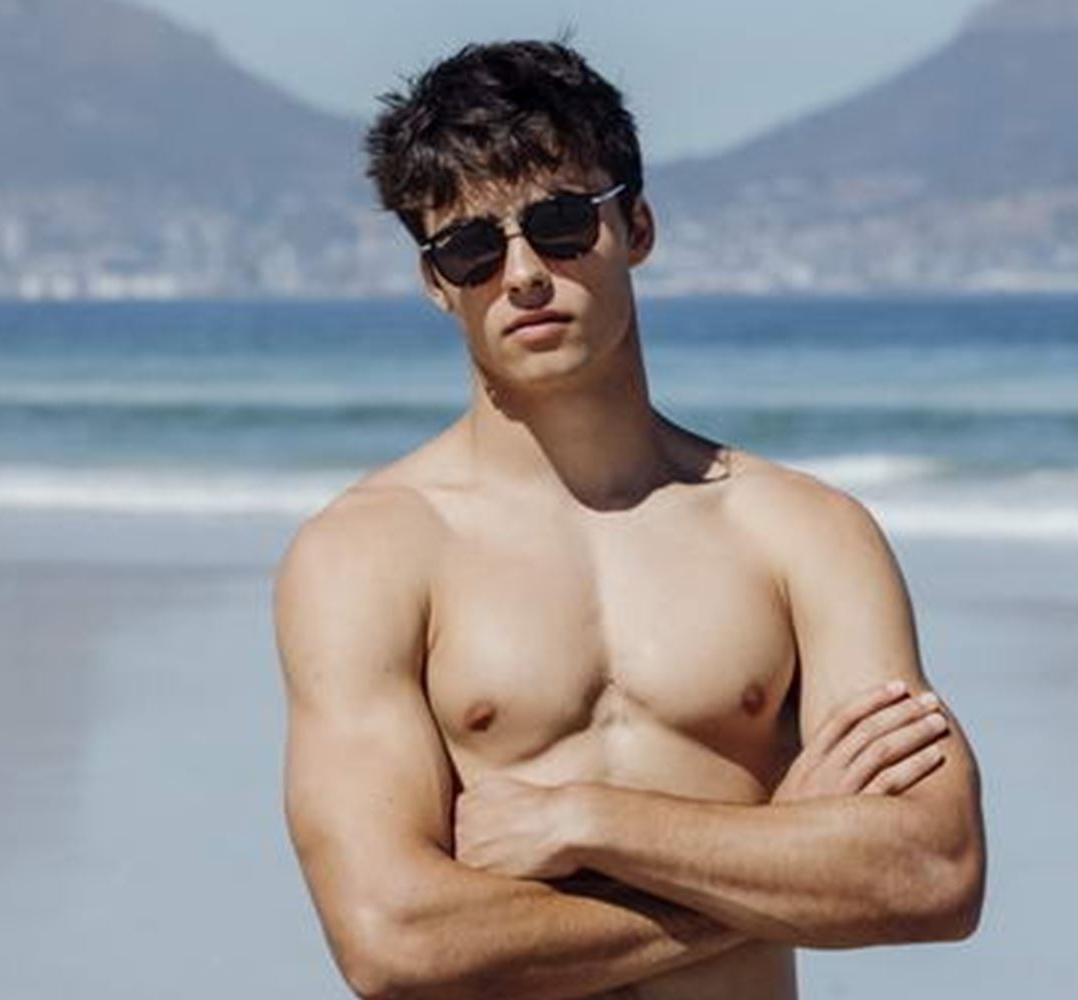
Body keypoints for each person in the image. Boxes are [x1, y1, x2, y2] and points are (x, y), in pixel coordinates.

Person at [273, 39, 985, 1000]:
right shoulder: (368, 556)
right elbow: (392, 939)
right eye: (472, 248)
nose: (523, 274)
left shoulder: (802, 534)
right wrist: (776, 847)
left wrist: (588, 821)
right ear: (436, 283)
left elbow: (935, 871)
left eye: (561, 224)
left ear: (636, 225)